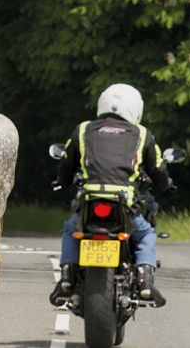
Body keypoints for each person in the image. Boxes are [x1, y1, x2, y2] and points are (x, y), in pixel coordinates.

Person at [49, 83, 170, 307]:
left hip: (89, 201)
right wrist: (165, 184)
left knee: (70, 228)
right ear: (136, 109)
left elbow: (66, 164)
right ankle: (145, 279)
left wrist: (64, 182)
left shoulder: (83, 129)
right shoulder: (142, 134)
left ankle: (67, 275)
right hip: (125, 204)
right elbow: (158, 168)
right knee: (145, 234)